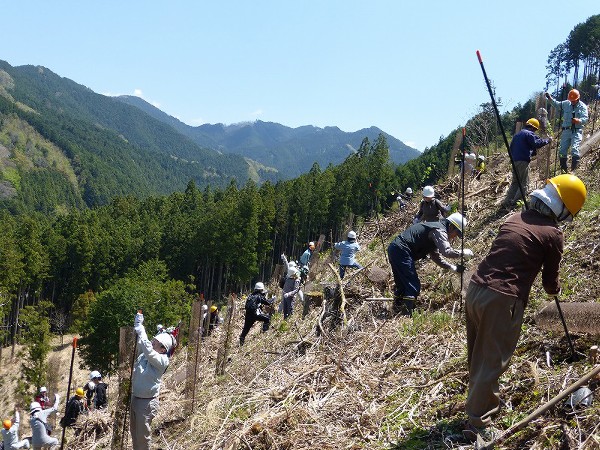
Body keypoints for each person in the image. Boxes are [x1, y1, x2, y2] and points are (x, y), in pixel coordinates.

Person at [462, 174, 587, 444]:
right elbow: (549, 282)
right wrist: (555, 290)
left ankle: (476, 404)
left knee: (478, 355)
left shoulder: (514, 219)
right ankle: (478, 424)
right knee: (492, 360)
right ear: (563, 209)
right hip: (502, 299)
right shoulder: (553, 234)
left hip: (474, 290)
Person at [387, 212, 473, 316]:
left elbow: (435, 257)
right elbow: (446, 251)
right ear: (451, 227)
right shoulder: (439, 230)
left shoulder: (435, 229)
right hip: (402, 250)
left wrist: (452, 268)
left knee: (402, 284)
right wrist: (462, 253)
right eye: (456, 233)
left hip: (395, 248)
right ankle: (406, 315)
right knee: (413, 286)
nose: (455, 237)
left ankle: (396, 309)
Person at [130, 311, 176, 450]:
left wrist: (141, 328)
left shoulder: (162, 360)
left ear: (163, 349)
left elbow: (148, 349)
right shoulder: (146, 355)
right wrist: (137, 326)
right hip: (136, 398)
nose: (151, 342)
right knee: (135, 434)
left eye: (155, 342)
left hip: (146, 402)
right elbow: (142, 345)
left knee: (143, 437)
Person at [502, 118, 551, 208]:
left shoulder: (517, 135)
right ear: (533, 128)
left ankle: (507, 201)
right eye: (535, 130)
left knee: (515, 182)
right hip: (523, 161)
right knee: (524, 183)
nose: (535, 132)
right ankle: (517, 203)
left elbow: (513, 148)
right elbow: (537, 143)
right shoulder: (529, 134)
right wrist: (548, 140)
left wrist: (531, 152)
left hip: (514, 161)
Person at [545, 89, 588, 172]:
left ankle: (574, 171)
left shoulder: (582, 106)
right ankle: (563, 171)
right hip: (566, 131)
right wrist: (550, 98)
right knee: (562, 151)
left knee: (575, 149)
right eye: (571, 100)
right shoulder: (566, 103)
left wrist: (578, 120)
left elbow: (585, 118)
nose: (572, 102)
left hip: (576, 130)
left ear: (578, 99)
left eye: (574, 101)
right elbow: (557, 104)